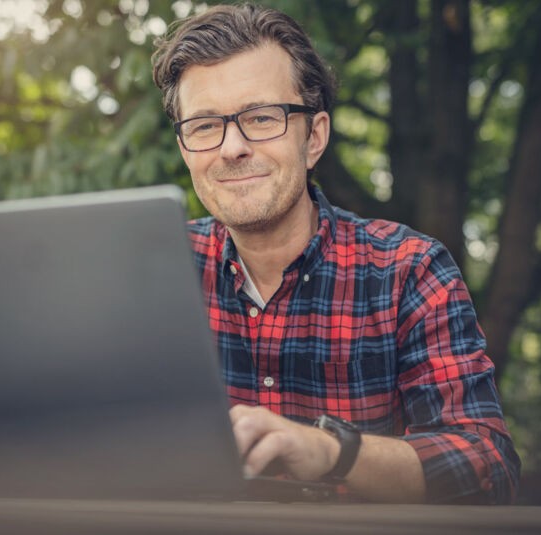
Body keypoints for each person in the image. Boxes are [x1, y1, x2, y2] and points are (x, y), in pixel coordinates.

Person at [152, 3, 520, 504]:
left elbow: (487, 467)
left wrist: (332, 452)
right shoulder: (150, 272)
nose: (231, 147)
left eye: (261, 118)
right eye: (203, 126)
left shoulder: (410, 269)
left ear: (314, 137)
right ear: (185, 148)